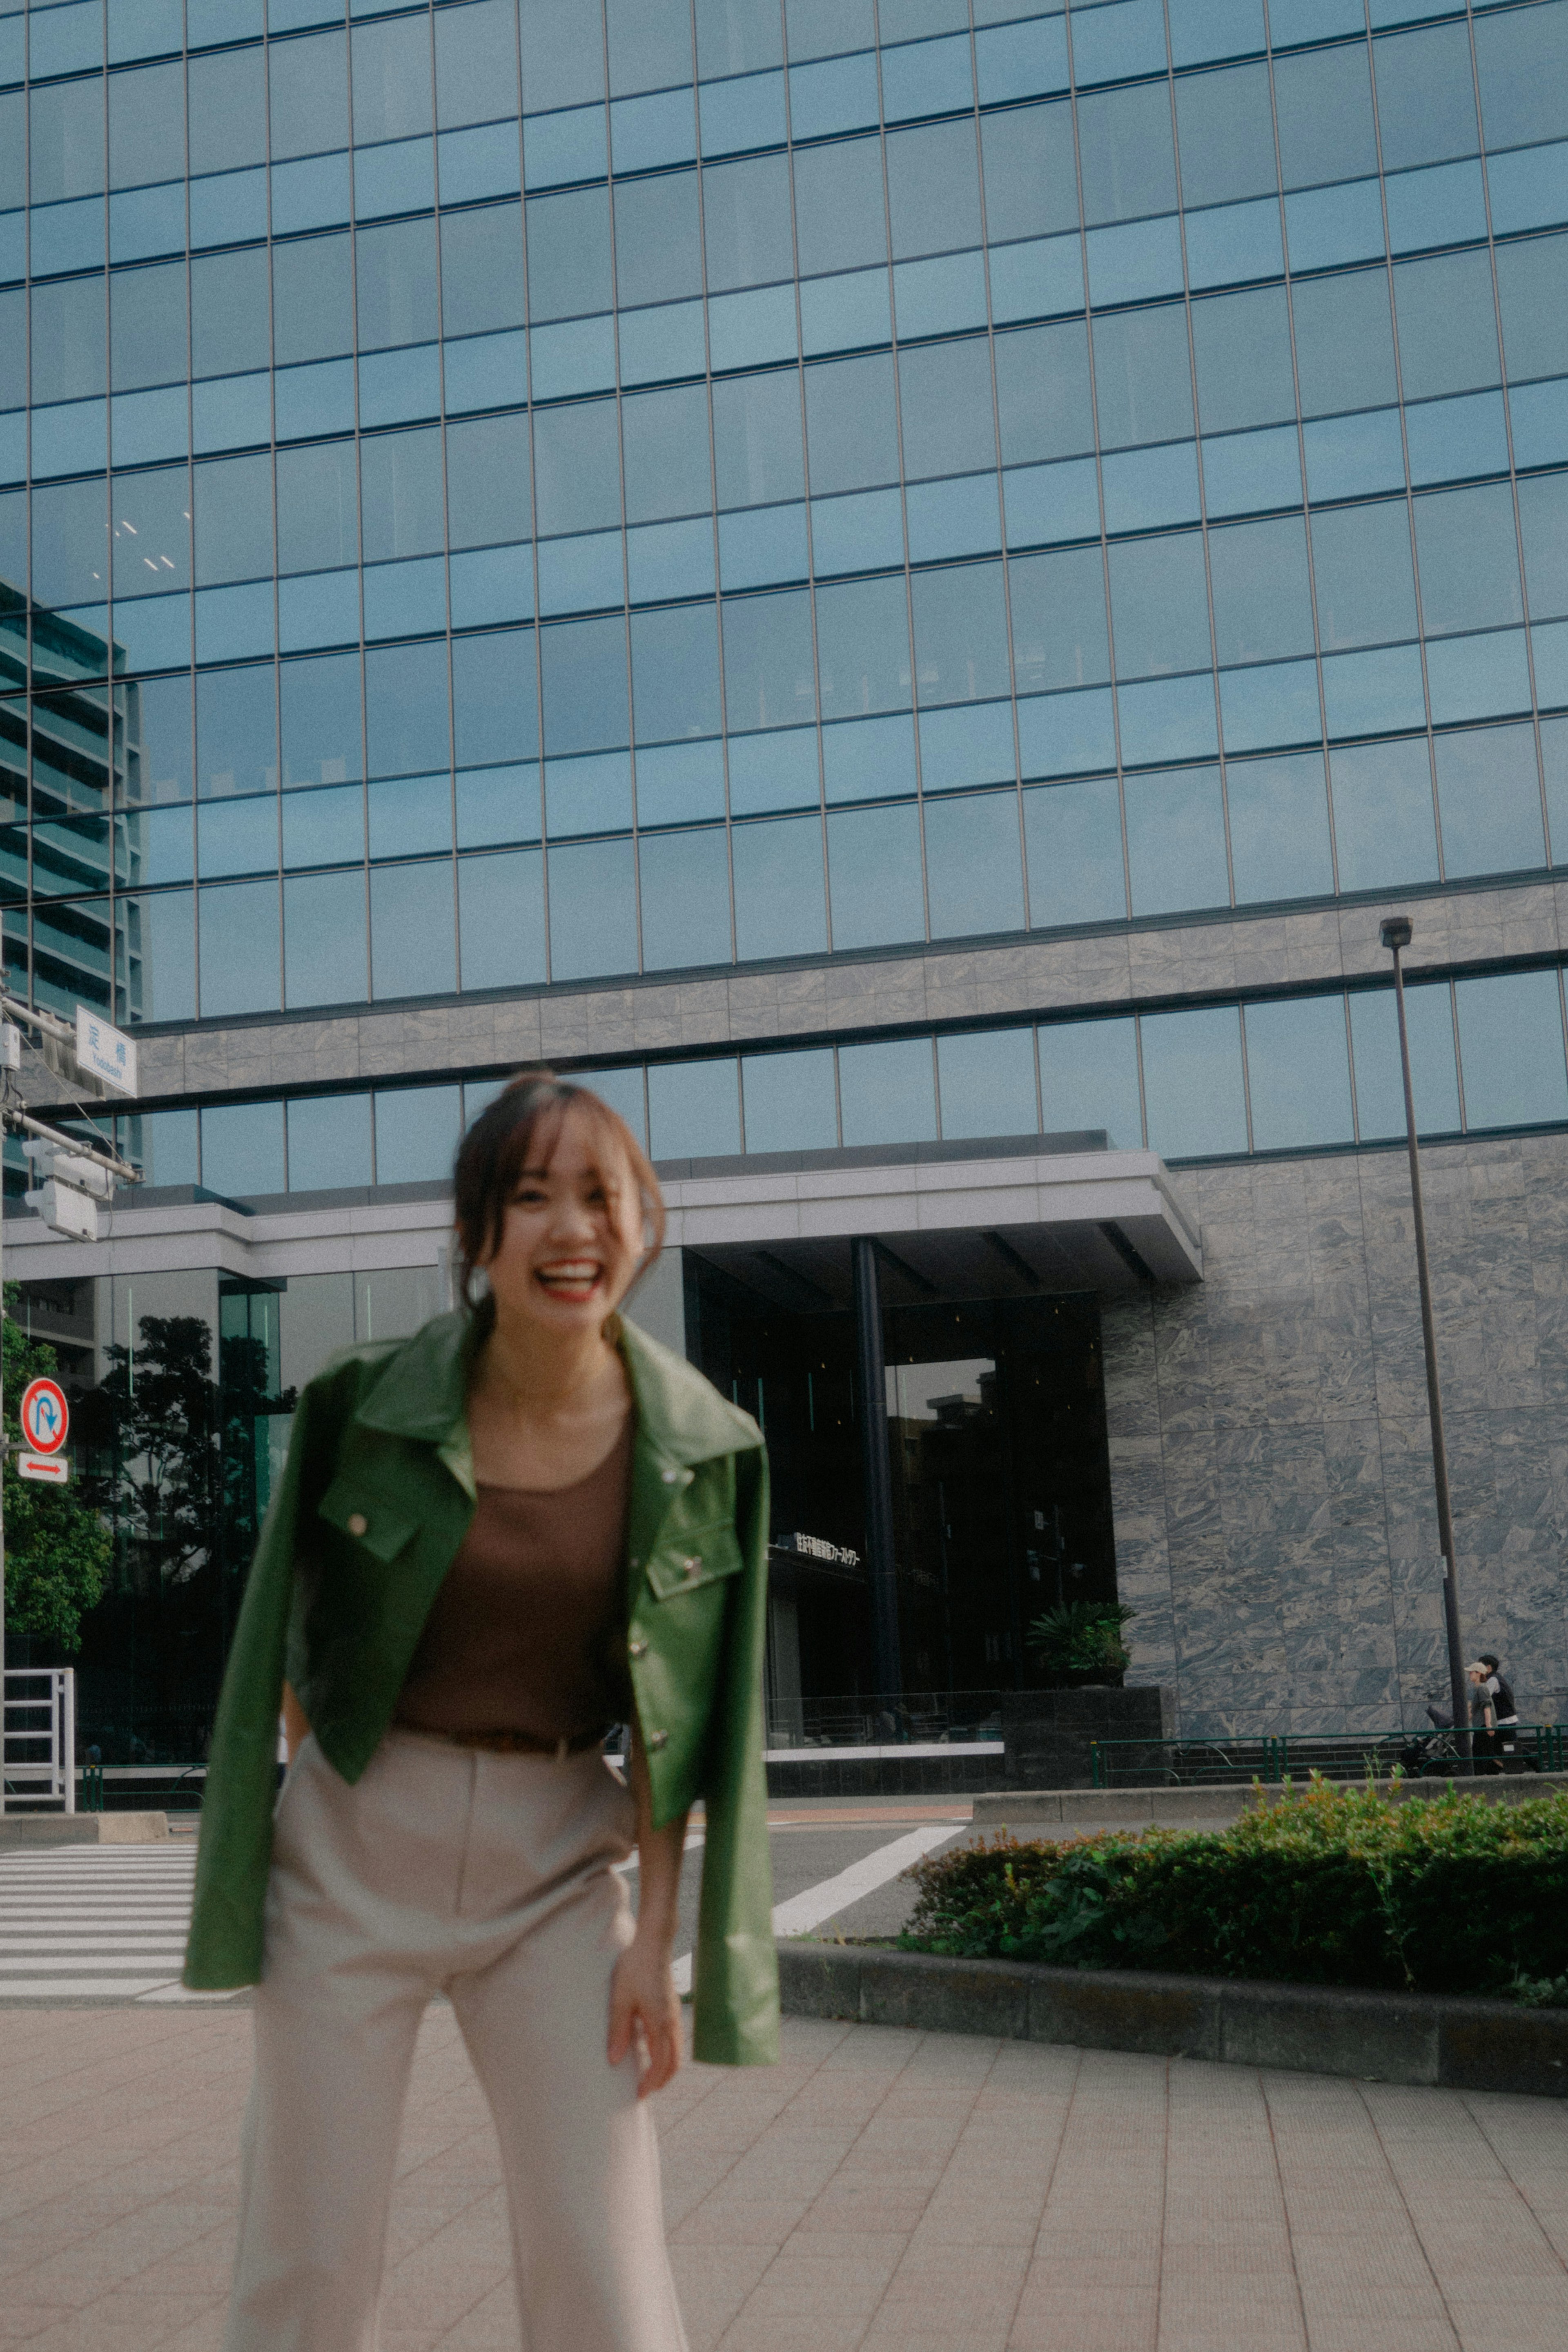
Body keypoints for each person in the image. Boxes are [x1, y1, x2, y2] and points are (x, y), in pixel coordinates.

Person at [184, 1071, 778, 2352]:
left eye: (602, 1196)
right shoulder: (364, 1401)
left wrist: (654, 1939)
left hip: (562, 1872)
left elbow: (686, 1716)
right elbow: (286, 1638)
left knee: (603, 2266)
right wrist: (324, 1807)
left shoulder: (703, 1446)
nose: (573, 1231)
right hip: (353, 1849)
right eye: (532, 1198)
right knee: (309, 2262)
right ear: (476, 1236)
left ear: (645, 1222)